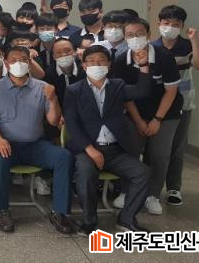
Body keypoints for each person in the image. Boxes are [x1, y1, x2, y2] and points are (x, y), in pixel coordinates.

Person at [0, 46, 74, 234]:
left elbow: (53, 120)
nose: (19, 63)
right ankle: (2, 211)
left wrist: (53, 99)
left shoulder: (43, 87)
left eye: (23, 60)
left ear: (29, 63)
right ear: (6, 63)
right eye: (14, 60)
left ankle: (60, 212)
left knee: (63, 157)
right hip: (8, 144)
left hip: (36, 145)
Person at [64, 45, 152, 234]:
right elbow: (72, 124)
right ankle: (89, 221)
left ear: (109, 64)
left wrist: (144, 65)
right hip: (88, 149)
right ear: (84, 65)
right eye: (91, 61)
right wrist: (90, 149)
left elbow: (142, 91)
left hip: (116, 150)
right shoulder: (74, 90)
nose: (96, 64)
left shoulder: (118, 86)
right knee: (85, 173)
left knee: (143, 173)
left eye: (101, 60)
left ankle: (127, 219)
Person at [111, 18, 182, 216]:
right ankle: (127, 191)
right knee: (130, 151)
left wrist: (157, 120)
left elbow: (171, 92)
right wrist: (139, 121)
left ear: (149, 35)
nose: (135, 38)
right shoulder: (121, 60)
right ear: (125, 37)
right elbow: (125, 96)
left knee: (159, 154)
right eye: (130, 35)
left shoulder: (164, 57)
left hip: (166, 113)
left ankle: (153, 195)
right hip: (135, 112)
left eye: (139, 34)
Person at [152, 5, 199, 206]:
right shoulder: (152, 47)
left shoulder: (186, 46)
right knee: (157, 150)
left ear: (182, 26)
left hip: (183, 103)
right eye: (166, 23)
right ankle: (151, 189)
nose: (170, 27)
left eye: (175, 24)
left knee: (177, 147)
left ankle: (174, 187)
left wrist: (194, 40)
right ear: (159, 23)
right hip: (158, 103)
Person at [43, 38, 85, 143]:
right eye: (58, 52)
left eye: (68, 50)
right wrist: (59, 115)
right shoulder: (49, 74)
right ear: (53, 56)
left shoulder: (84, 69)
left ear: (74, 52)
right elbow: (48, 99)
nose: (64, 55)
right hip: (60, 115)